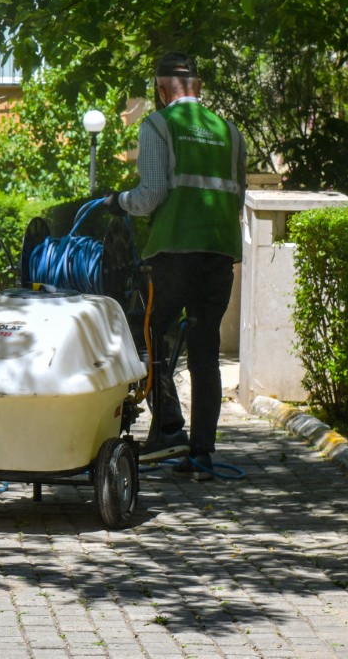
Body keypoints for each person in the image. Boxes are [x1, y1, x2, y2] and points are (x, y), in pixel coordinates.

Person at [105, 52, 245, 480]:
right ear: (197, 88)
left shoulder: (158, 125)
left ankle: (168, 426)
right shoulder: (231, 133)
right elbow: (237, 196)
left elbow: (151, 195)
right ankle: (201, 455)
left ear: (162, 90)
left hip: (172, 254)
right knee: (205, 353)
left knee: (146, 334)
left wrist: (118, 202)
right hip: (218, 255)